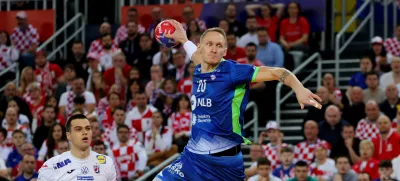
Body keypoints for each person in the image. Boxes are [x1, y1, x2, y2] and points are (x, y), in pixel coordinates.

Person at [154, 20, 322, 181]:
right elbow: (192, 53)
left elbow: (278, 72)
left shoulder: (233, 72)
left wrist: (299, 89)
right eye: (209, 44)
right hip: (193, 158)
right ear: (201, 48)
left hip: (224, 164)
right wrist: (183, 38)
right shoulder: (200, 66)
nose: (213, 49)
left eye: (219, 46)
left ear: (225, 51)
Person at [37, 114, 117, 180]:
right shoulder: (51, 166)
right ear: (69, 135)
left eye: (88, 128)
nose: (85, 132)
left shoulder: (106, 162)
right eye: (78, 129)